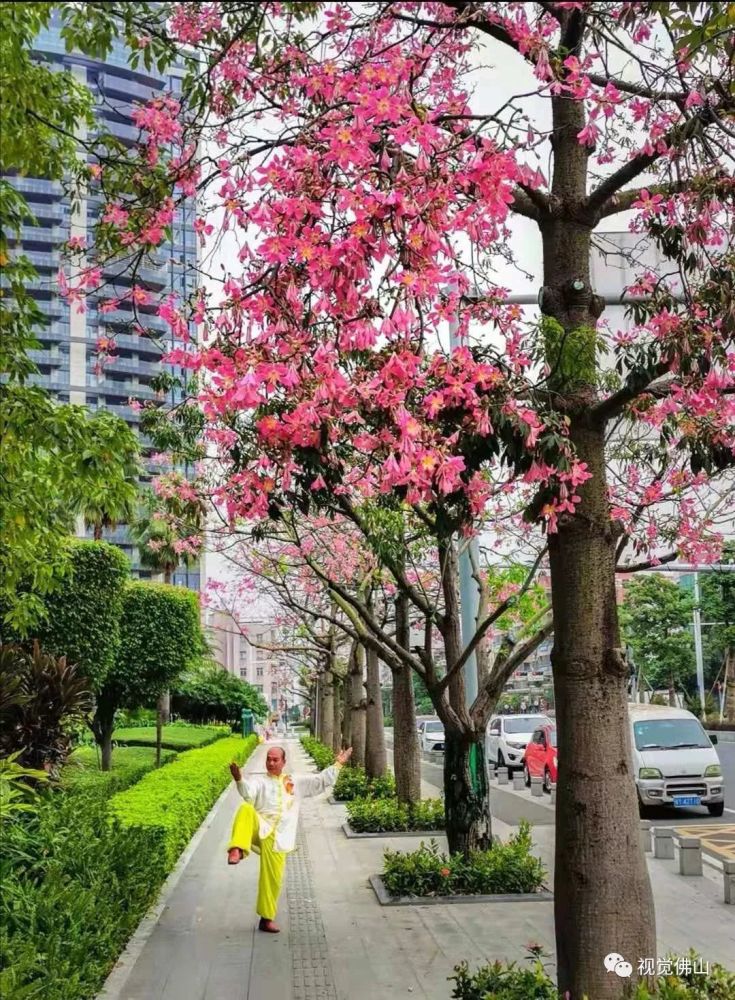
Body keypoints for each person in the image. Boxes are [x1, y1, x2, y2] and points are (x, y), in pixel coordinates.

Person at [227, 744, 352, 933]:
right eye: (268, 758)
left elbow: (320, 781)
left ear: (284, 762)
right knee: (245, 808)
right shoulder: (259, 781)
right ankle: (236, 849)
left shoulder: (295, 782)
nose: (270, 762)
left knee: (272, 879)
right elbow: (248, 793)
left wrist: (338, 764)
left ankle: (266, 919)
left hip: (279, 838)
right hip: (261, 826)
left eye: (275, 759)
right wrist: (239, 779)